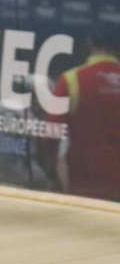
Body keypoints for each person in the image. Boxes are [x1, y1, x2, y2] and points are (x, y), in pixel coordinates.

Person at [39, 25, 120, 201]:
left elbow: (52, 132)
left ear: (89, 44)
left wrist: (51, 173)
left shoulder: (70, 79)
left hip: (83, 179)